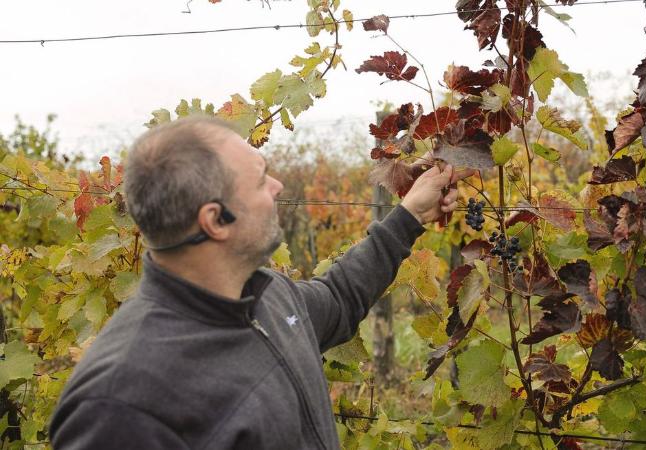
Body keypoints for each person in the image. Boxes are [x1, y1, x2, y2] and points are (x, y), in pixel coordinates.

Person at [48, 116, 471, 449]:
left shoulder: (265, 295)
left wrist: (409, 215)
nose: (278, 186)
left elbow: (339, 297)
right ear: (215, 220)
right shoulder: (120, 407)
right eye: (259, 179)